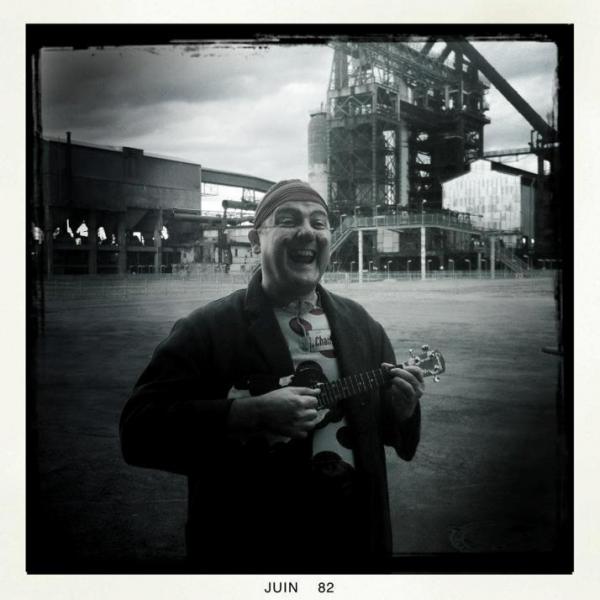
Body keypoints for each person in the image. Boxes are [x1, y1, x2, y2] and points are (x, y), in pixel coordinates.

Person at [120, 180, 424, 573]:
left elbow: (384, 428)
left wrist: (402, 410)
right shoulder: (208, 328)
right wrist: (247, 414)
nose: (307, 232)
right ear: (255, 240)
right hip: (251, 546)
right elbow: (138, 430)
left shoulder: (362, 325)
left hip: (355, 540)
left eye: (319, 222)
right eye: (289, 220)